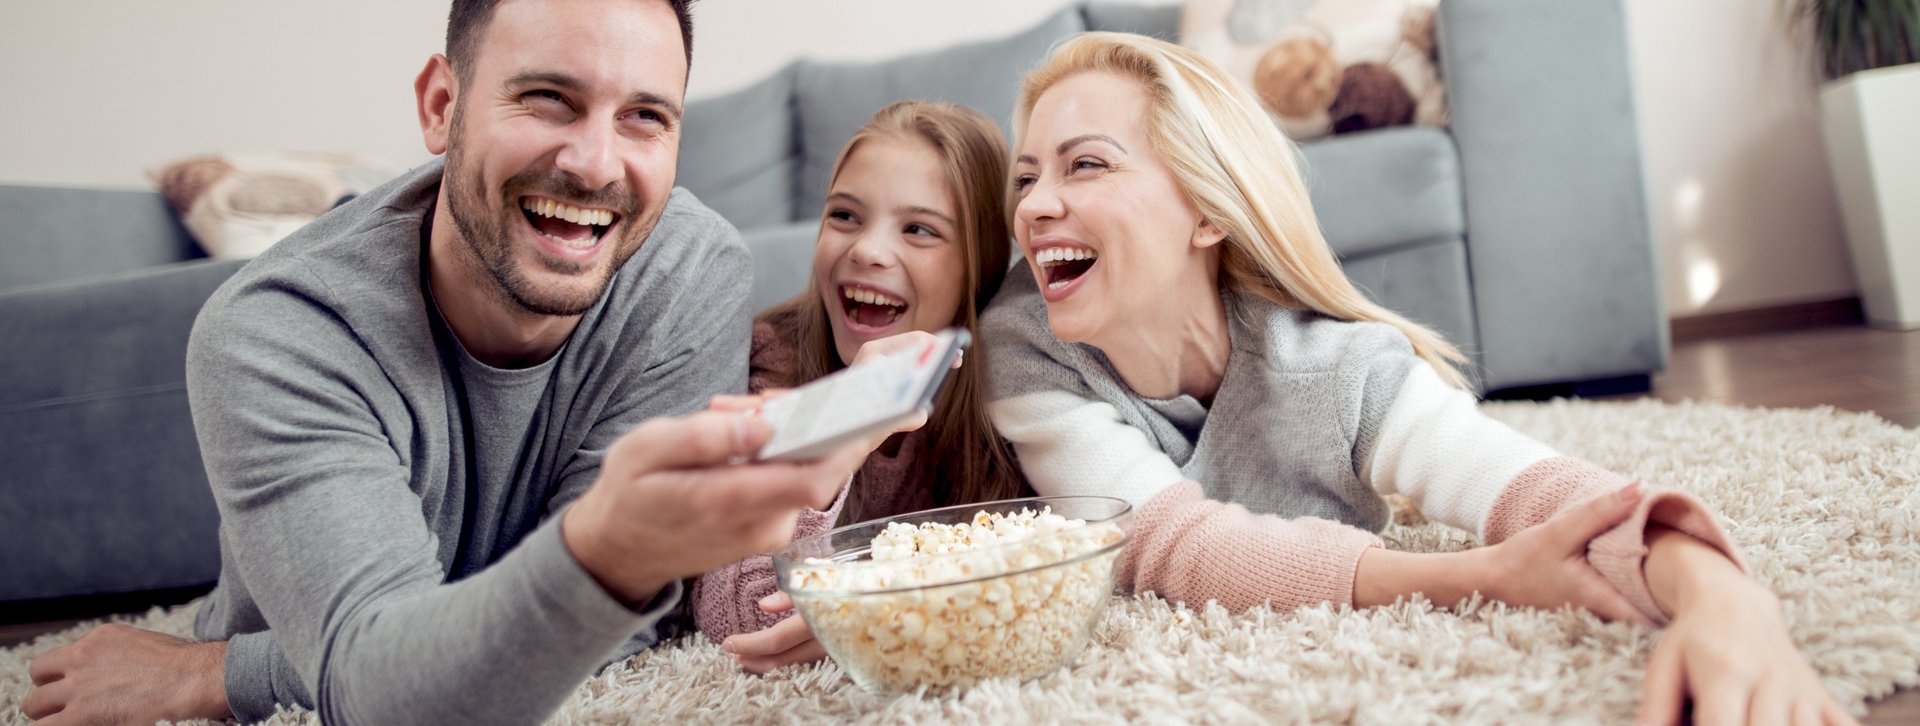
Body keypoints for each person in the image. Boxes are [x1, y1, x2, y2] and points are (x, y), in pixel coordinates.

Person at [20, 1, 869, 723]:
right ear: (440, 105)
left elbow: (607, 637)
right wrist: (616, 552)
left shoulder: (689, 267)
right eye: (547, 99)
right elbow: (395, 698)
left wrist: (222, 673)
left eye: (645, 116)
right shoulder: (276, 333)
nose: (595, 163)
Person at [982, 32, 1855, 726]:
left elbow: (1537, 490)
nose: (1033, 206)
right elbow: (1170, 547)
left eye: (1084, 164)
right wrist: (1483, 575)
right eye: (1027, 177)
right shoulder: (1021, 348)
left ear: (1209, 208)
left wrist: (1724, 600)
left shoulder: (1331, 367)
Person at [693, 100, 1028, 674]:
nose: (867, 250)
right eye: (844, 216)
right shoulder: (770, 363)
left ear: (980, 265)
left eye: (919, 229)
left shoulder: (1007, 382)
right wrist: (846, 418)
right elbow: (739, 620)